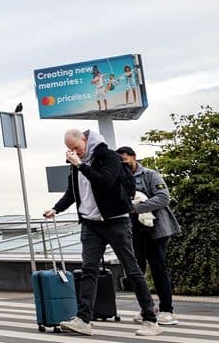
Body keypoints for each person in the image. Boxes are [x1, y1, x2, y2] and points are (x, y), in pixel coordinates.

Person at [43, 129, 162, 337]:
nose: (75, 153)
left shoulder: (108, 157)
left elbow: (104, 182)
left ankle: (151, 320)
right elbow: (73, 191)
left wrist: (81, 165)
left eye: (77, 148)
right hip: (90, 223)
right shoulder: (76, 165)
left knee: (131, 269)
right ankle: (83, 319)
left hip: (115, 221)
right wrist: (56, 209)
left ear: (85, 140)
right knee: (89, 269)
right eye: (70, 150)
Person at [117, 146, 181, 326]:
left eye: (125, 160)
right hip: (133, 230)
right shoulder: (120, 179)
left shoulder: (150, 175)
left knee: (159, 268)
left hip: (156, 229)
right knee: (138, 272)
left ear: (133, 157)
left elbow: (163, 198)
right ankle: (147, 308)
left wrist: (135, 208)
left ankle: (167, 309)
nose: (123, 164)